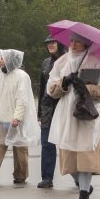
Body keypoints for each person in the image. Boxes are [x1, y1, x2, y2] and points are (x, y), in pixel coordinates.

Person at [46, 33, 100, 199]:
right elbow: (51, 89)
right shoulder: (62, 62)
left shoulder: (97, 62)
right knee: (69, 159)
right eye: (71, 41)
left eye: (78, 41)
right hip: (67, 115)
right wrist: (64, 83)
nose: (73, 44)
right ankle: (83, 185)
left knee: (86, 157)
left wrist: (85, 87)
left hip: (88, 116)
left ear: (86, 43)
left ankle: (83, 198)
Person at [0, 49, 39, 184]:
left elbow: (22, 99)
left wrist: (17, 117)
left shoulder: (21, 76)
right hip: (2, 118)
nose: (0, 61)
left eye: (3, 58)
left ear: (10, 60)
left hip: (17, 120)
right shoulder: (3, 76)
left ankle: (21, 175)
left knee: (20, 147)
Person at [37, 35, 67, 188]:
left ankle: (79, 177)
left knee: (68, 144)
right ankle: (47, 178)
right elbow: (42, 88)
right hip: (47, 108)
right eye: (47, 43)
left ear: (60, 43)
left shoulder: (69, 61)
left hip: (64, 106)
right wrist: (39, 112)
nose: (49, 45)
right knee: (46, 143)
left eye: (52, 42)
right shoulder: (45, 63)